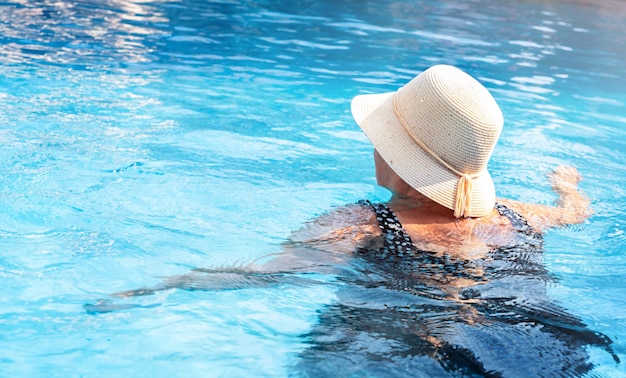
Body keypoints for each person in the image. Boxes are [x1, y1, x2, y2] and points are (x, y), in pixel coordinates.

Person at [86, 65, 619, 376]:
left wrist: (153, 288)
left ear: (398, 156)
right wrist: (566, 187)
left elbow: (266, 271)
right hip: (550, 348)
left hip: (402, 356)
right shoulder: (519, 217)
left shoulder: (361, 224)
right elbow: (575, 214)